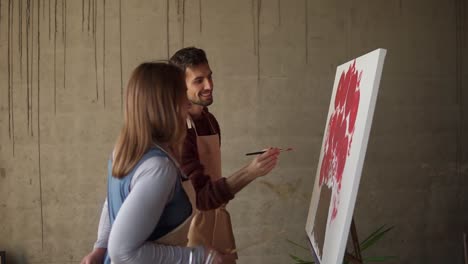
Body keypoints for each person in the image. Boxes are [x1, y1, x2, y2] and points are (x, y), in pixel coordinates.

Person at [80, 62, 233, 264]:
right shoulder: (159, 169)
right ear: (164, 106)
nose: (188, 104)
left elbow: (114, 205)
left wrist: (100, 248)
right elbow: (123, 253)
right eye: (182, 97)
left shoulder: (124, 150)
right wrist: (201, 256)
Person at [169, 47, 280, 263]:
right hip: (189, 228)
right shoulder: (178, 130)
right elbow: (200, 197)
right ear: (179, 87)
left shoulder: (211, 121)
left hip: (217, 215)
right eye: (198, 80)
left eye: (209, 77)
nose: (209, 86)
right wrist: (250, 172)